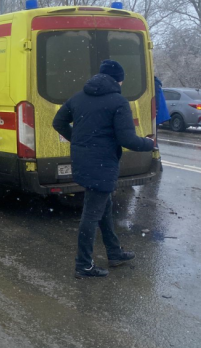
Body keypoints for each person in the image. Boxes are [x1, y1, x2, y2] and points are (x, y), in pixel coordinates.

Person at [53, 60, 154, 279]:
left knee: (103, 208)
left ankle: (114, 253)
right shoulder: (118, 102)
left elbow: (58, 122)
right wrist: (149, 143)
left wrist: (78, 141)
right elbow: (127, 139)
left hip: (84, 161)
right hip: (103, 163)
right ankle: (83, 265)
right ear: (119, 79)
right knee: (91, 215)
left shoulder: (78, 97)